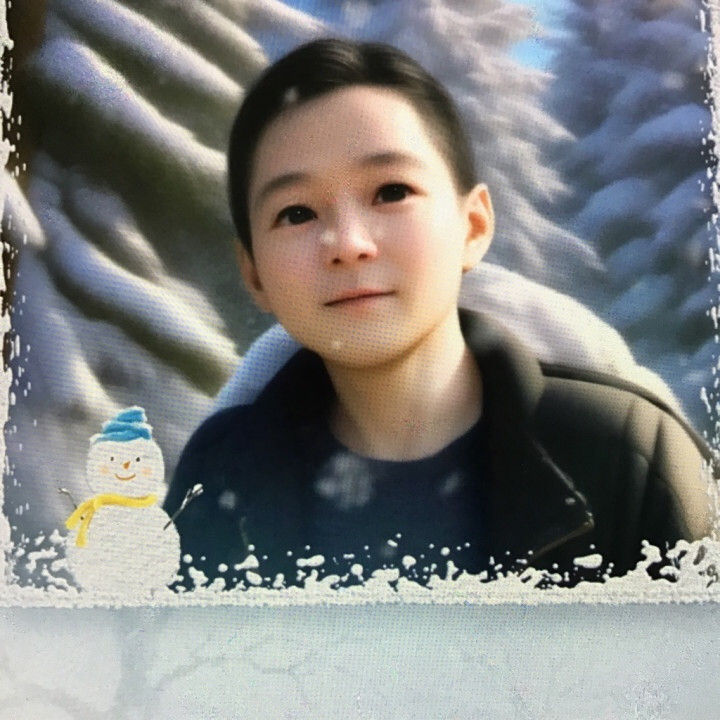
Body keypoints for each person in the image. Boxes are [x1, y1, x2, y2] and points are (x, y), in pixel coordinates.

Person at [165, 38, 716, 591]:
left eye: (391, 191)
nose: (348, 244)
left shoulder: (631, 456)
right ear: (254, 273)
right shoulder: (216, 479)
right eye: (296, 213)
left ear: (473, 226)